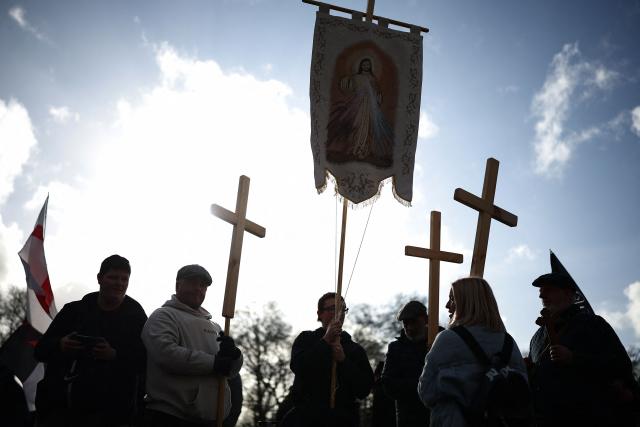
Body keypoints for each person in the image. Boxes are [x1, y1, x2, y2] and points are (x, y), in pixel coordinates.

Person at [34, 254, 147, 427]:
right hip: (61, 411)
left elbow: (145, 360)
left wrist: (115, 355)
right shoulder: (73, 311)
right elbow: (40, 350)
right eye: (113, 277)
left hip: (113, 416)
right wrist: (61, 345)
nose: (119, 283)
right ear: (99, 279)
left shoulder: (137, 317)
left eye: (124, 279)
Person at [527, 272, 637, 427]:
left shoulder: (593, 325)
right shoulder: (536, 338)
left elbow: (620, 366)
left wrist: (574, 358)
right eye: (540, 291)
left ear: (568, 293)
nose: (541, 296)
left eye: (549, 290)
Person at [417, 277, 528, 426]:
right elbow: (523, 390)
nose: (447, 305)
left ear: (467, 302)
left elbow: (426, 392)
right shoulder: (509, 343)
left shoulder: (447, 339)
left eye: (452, 298)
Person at [141, 264, 243, 427]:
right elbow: (166, 354)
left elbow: (230, 372)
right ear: (177, 285)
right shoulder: (163, 316)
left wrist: (235, 356)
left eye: (202, 285)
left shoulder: (214, 326)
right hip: (169, 417)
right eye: (192, 283)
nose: (198, 289)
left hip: (211, 420)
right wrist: (214, 363)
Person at [284, 292, 374, 427]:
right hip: (307, 418)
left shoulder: (355, 349)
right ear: (319, 314)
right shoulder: (306, 339)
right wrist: (325, 341)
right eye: (332, 309)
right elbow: (299, 366)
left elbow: (364, 389)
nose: (338, 313)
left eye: (342, 309)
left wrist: (343, 361)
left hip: (343, 420)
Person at [382, 301, 442, 427]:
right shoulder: (395, 348)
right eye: (405, 323)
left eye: (413, 321)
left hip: (439, 415)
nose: (409, 327)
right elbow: (388, 384)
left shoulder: (442, 341)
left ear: (426, 319)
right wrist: (423, 386)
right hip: (408, 418)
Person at [326, 57, 394, 167]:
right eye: (364, 64)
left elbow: (376, 92)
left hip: (369, 106)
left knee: (366, 127)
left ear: (370, 66)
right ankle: (354, 148)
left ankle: (363, 150)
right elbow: (349, 88)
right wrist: (346, 82)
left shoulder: (372, 78)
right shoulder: (356, 77)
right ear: (361, 66)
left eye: (368, 65)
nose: (366, 66)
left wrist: (377, 97)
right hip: (357, 103)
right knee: (356, 124)